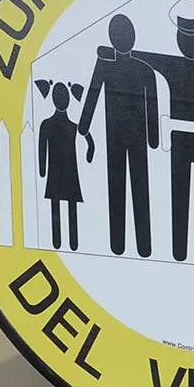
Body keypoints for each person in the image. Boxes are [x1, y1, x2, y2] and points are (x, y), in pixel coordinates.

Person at [135, 1, 194, 263]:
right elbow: (146, 57)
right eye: (187, 38)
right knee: (181, 195)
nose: (191, 43)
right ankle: (180, 253)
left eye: (193, 38)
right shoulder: (174, 65)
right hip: (182, 139)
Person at [77, 14, 160, 257]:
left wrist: (83, 126)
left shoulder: (114, 66)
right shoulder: (140, 69)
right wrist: (154, 137)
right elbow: (93, 96)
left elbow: (151, 104)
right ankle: (132, 246)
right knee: (132, 186)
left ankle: (128, 245)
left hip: (124, 136)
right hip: (124, 136)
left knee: (126, 186)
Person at [35, 79, 93, 250]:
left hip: (67, 171)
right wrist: (42, 169)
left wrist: (42, 169)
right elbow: (42, 147)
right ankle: (61, 243)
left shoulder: (69, 125)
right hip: (62, 171)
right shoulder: (53, 124)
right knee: (59, 206)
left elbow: (89, 139)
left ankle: (70, 243)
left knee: (66, 206)